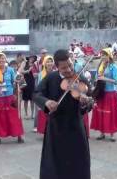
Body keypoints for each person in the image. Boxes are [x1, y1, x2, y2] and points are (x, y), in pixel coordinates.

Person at [33, 49, 91, 179]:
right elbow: (36, 94)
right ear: (57, 67)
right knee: (55, 164)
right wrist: (46, 102)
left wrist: (85, 102)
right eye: (64, 68)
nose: (69, 70)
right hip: (56, 128)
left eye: (70, 65)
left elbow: (90, 100)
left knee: (78, 163)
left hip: (76, 126)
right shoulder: (51, 78)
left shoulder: (79, 78)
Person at [0, 51, 24, 145]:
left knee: (14, 116)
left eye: (3, 58)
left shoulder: (10, 70)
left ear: (5, 60)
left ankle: (18, 135)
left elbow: (14, 81)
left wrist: (16, 90)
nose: (1, 60)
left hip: (9, 96)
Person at [90, 48, 117, 142]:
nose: (103, 57)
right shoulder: (100, 66)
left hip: (110, 93)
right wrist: (97, 79)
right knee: (100, 112)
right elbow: (96, 78)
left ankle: (112, 134)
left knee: (110, 113)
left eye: (105, 55)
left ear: (109, 56)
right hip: (101, 92)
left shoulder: (115, 68)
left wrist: (104, 78)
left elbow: (116, 81)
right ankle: (102, 133)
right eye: (102, 55)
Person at [34, 55, 54, 134]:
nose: (49, 63)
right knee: (44, 114)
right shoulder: (40, 74)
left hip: (54, 96)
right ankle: (45, 131)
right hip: (44, 97)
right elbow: (38, 88)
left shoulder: (56, 73)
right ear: (44, 64)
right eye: (47, 62)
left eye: (51, 61)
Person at [20, 55, 36, 119]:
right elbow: (21, 71)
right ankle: (26, 114)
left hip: (32, 83)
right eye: (31, 57)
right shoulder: (24, 63)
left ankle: (32, 114)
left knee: (32, 100)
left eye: (33, 58)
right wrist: (28, 70)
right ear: (29, 58)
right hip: (25, 83)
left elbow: (37, 72)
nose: (32, 59)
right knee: (25, 100)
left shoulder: (35, 64)